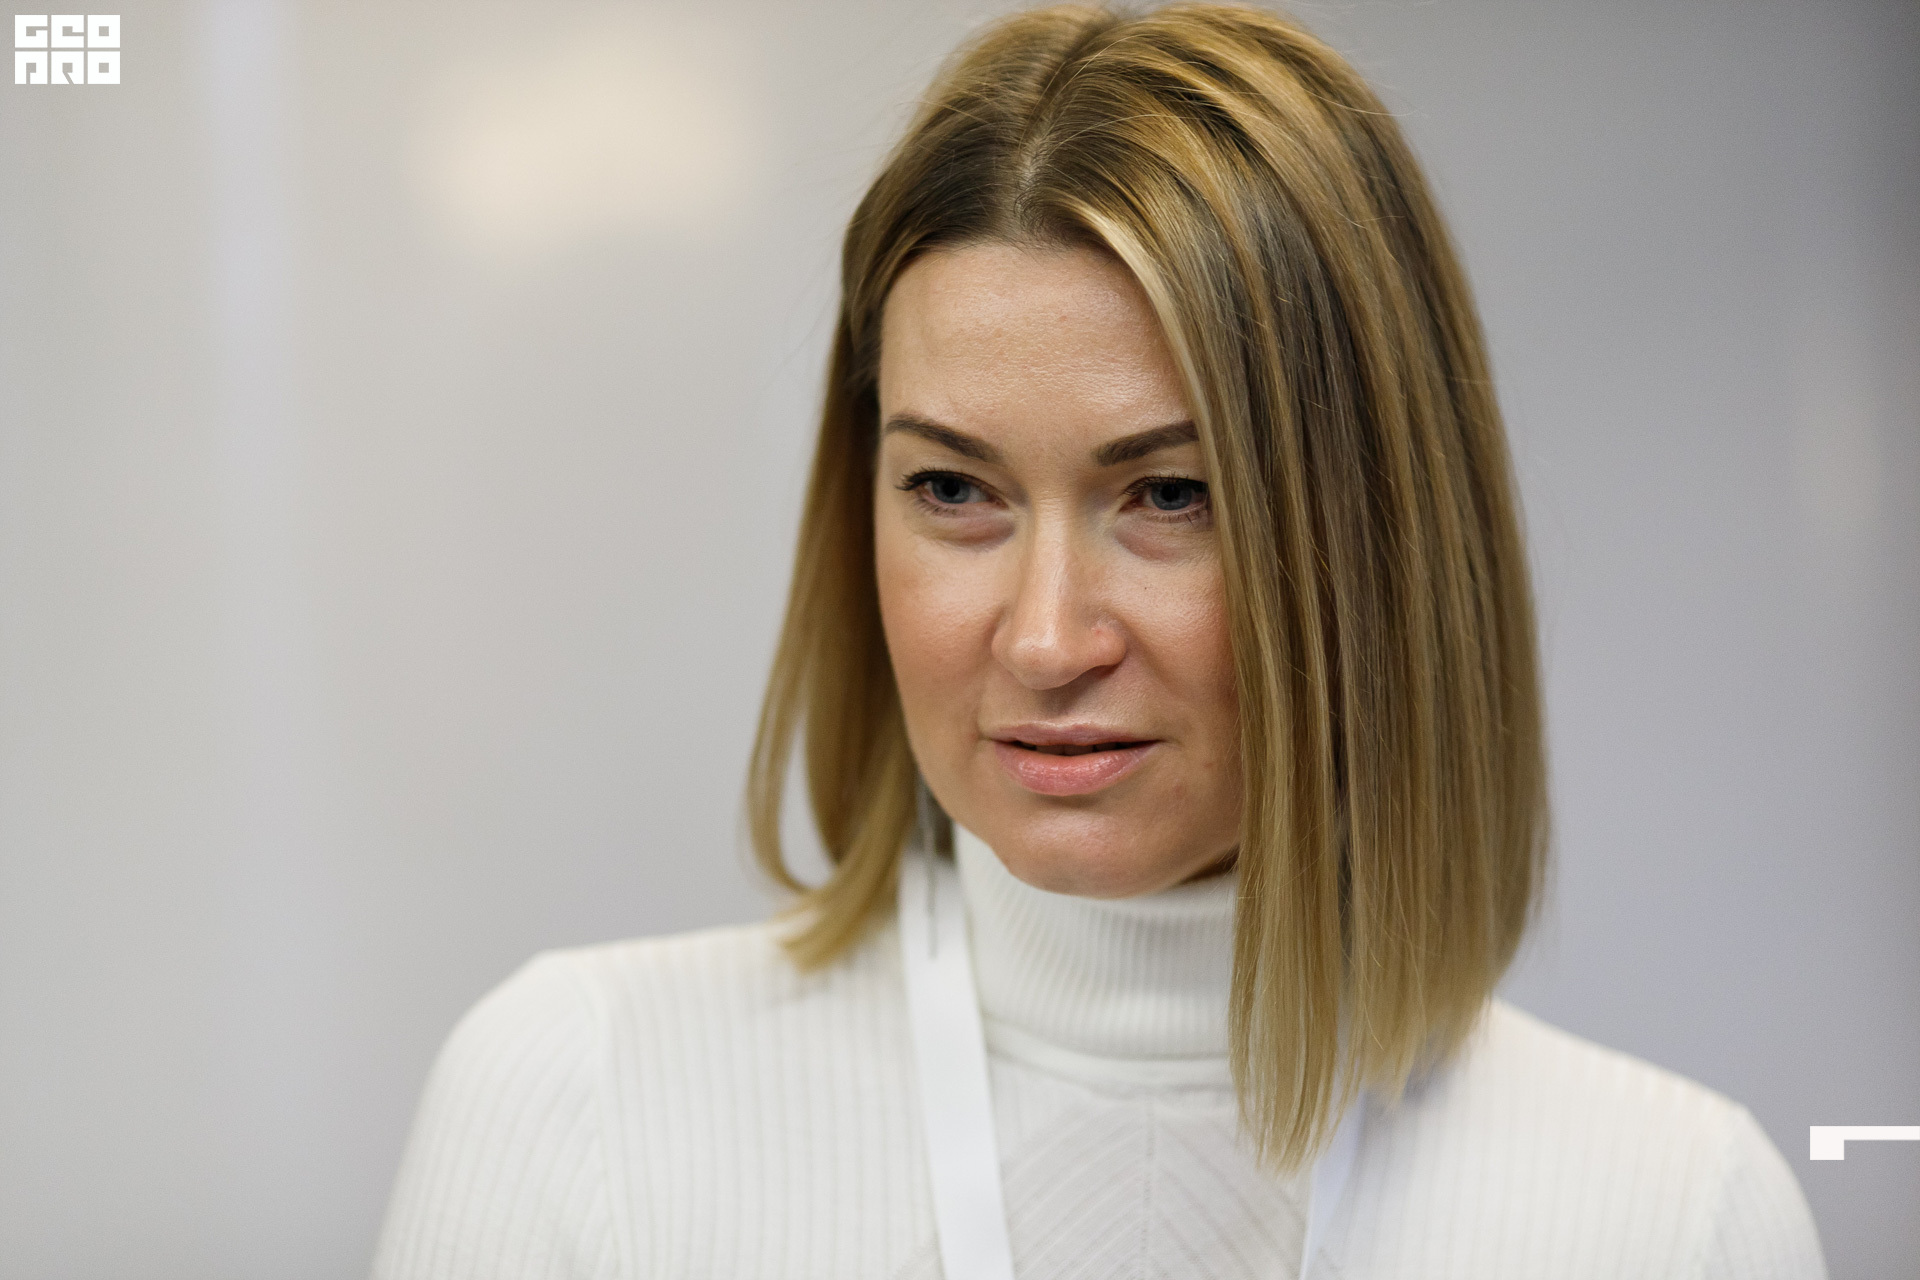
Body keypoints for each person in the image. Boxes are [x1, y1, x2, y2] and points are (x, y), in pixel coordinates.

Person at [371, 3, 1827, 1277]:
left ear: (1380, 538)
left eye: (1171, 495)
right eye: (954, 491)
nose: (1048, 640)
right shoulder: (580, 1102)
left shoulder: (1671, 1215)